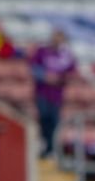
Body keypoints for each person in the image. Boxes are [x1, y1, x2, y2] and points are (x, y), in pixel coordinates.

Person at [30, 30, 75, 158]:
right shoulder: (42, 52)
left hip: (57, 95)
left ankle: (52, 148)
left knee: (55, 122)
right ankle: (45, 146)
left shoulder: (66, 55)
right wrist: (46, 77)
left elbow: (72, 72)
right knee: (44, 120)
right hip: (43, 93)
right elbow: (33, 69)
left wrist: (60, 79)